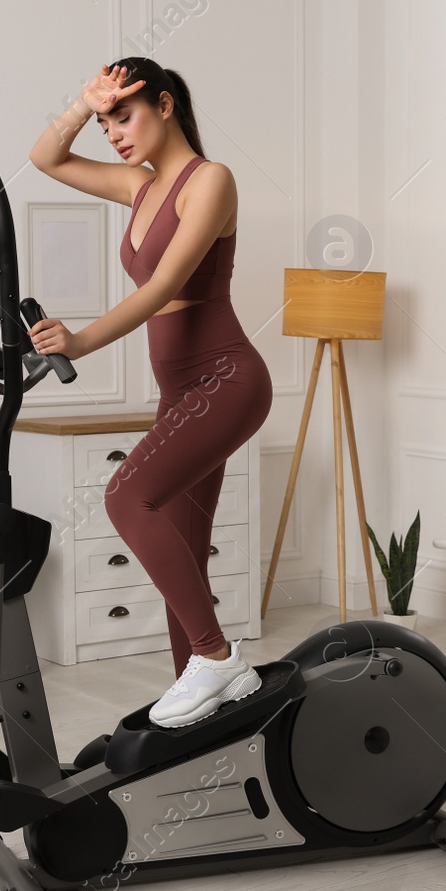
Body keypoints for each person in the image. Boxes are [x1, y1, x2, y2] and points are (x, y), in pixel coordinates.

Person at [28, 59, 273, 728]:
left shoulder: (210, 182)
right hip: (181, 391)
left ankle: (218, 657)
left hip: (226, 379)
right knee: (182, 555)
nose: (112, 134)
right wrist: (84, 102)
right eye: (105, 124)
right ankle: (207, 713)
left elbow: (163, 287)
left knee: (123, 496)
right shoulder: (139, 188)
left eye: (124, 117)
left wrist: (79, 344)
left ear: (165, 105)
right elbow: (46, 156)